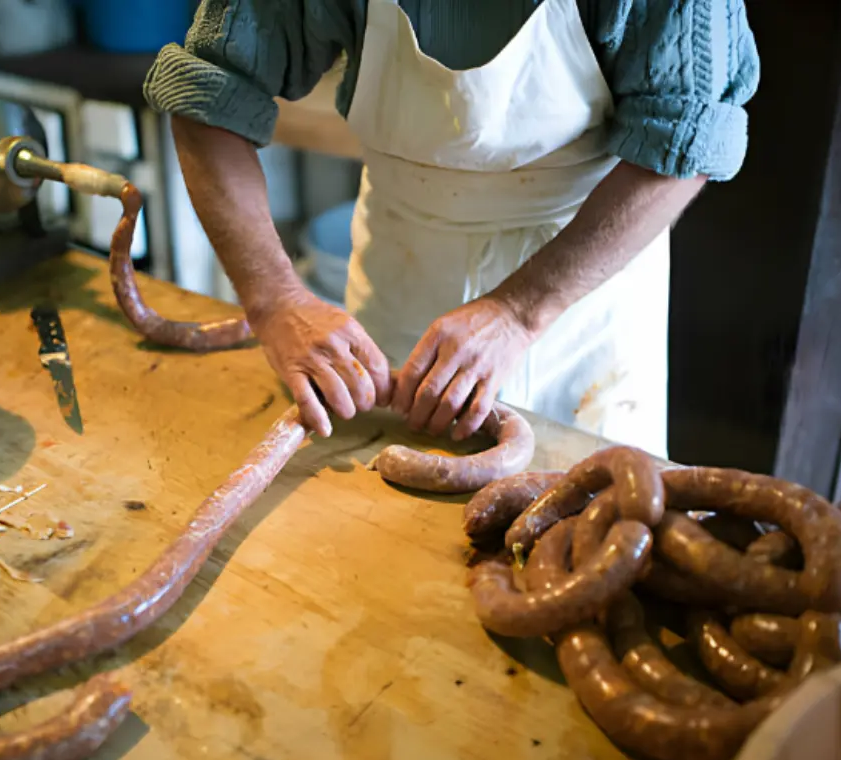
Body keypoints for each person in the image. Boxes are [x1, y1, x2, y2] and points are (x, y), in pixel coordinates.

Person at [143, 0, 759, 458]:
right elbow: (207, 98)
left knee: (591, 528)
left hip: (583, 295)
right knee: (384, 526)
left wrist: (519, 311)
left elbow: (684, 144)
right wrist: (274, 299)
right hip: (402, 268)